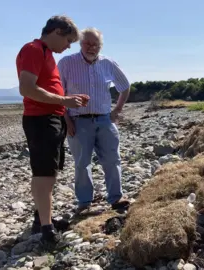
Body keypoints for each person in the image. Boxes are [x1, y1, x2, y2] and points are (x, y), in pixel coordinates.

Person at [16, 15, 88, 248]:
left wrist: (66, 102)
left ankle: (41, 219)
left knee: (49, 171)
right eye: (68, 41)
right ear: (56, 31)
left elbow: (43, 87)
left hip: (51, 118)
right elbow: (26, 88)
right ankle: (47, 231)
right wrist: (64, 100)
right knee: (44, 173)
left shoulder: (45, 53)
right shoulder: (34, 49)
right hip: (41, 119)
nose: (68, 47)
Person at [57, 27, 131, 213]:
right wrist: (66, 119)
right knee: (82, 163)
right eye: (87, 43)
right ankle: (84, 203)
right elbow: (58, 94)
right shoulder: (66, 63)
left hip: (105, 120)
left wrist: (117, 110)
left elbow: (125, 86)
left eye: (95, 44)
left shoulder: (108, 63)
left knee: (112, 159)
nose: (91, 47)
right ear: (80, 44)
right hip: (77, 121)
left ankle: (116, 197)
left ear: (100, 46)